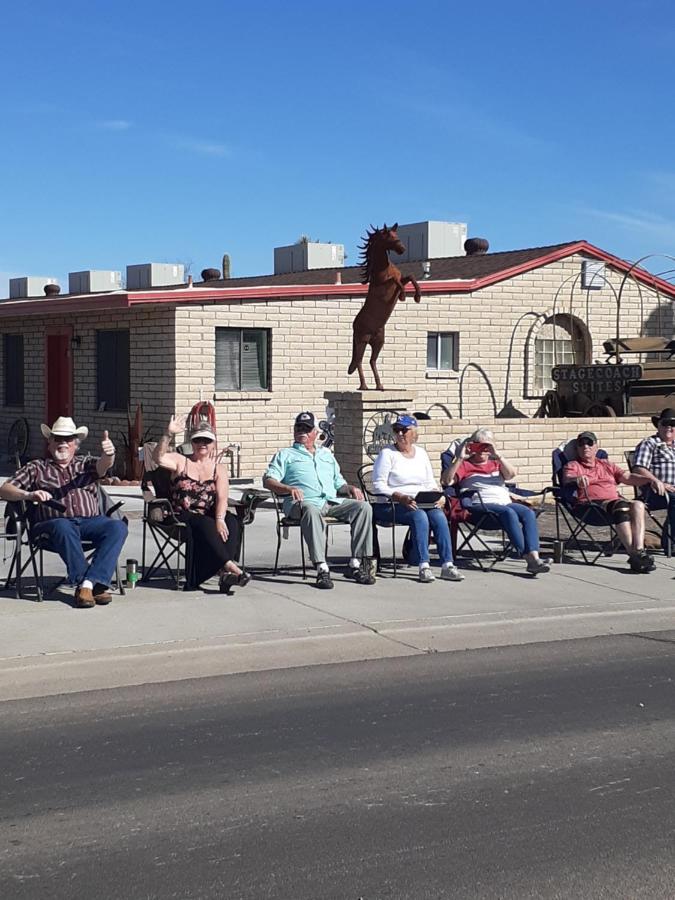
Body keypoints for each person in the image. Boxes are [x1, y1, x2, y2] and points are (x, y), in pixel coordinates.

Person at [0, 416, 128, 608]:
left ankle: (87, 584)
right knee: (63, 525)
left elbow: (103, 467)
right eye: (57, 439)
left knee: (117, 526)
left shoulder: (85, 464)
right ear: (49, 443)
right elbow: (5, 489)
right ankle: (92, 585)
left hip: (89, 522)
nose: (62, 443)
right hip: (51, 526)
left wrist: (109, 455)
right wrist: (29, 494)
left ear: (75, 444)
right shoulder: (36, 467)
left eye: (67, 439)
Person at [263, 411, 376, 590]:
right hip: (300, 504)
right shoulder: (285, 454)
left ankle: (357, 563)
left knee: (363, 508)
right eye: (298, 428)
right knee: (311, 509)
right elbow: (268, 480)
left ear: (315, 432)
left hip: (330, 502)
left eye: (307, 429)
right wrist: (288, 488)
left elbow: (339, 483)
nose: (302, 432)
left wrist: (350, 488)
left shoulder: (326, 455)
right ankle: (322, 567)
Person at [154, 415, 251, 593]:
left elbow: (222, 497)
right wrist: (168, 434)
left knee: (232, 521)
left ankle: (223, 575)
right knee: (206, 523)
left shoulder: (218, 468)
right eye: (198, 439)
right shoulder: (180, 460)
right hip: (180, 513)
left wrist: (220, 518)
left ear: (213, 443)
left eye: (207, 440)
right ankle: (229, 567)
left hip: (207, 513)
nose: (202, 443)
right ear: (192, 442)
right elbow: (158, 458)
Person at [441, 427, 550, 575]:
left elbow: (511, 474)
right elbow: (446, 481)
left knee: (527, 513)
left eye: (487, 445)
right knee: (509, 512)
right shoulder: (465, 465)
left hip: (504, 503)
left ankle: (534, 556)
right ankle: (529, 558)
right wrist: (460, 458)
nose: (483, 449)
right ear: (472, 445)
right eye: (479, 444)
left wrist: (498, 455)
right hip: (480, 508)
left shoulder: (496, 463)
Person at [372, 414, 464, 583]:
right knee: (420, 516)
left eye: (404, 430)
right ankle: (424, 566)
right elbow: (377, 485)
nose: (400, 434)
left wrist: (438, 495)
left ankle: (448, 565)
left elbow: (429, 482)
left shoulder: (421, 453)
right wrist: (399, 496)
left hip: (421, 501)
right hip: (391, 504)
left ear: (414, 433)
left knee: (438, 516)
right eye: (396, 430)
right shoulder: (387, 454)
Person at [563, 431, 658, 572]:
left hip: (613, 505)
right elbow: (566, 479)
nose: (585, 447)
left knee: (638, 505)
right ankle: (634, 555)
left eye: (589, 443)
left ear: (596, 447)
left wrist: (650, 480)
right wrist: (576, 480)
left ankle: (639, 551)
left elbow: (628, 477)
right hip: (589, 507)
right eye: (581, 444)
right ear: (577, 448)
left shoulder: (607, 464)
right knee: (621, 505)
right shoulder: (573, 465)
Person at [632, 407, 675, 553]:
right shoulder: (649, 443)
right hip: (654, 491)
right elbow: (638, 468)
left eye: (673, 424)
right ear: (658, 425)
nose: (669, 427)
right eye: (665, 423)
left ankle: (669, 539)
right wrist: (657, 482)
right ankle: (672, 543)